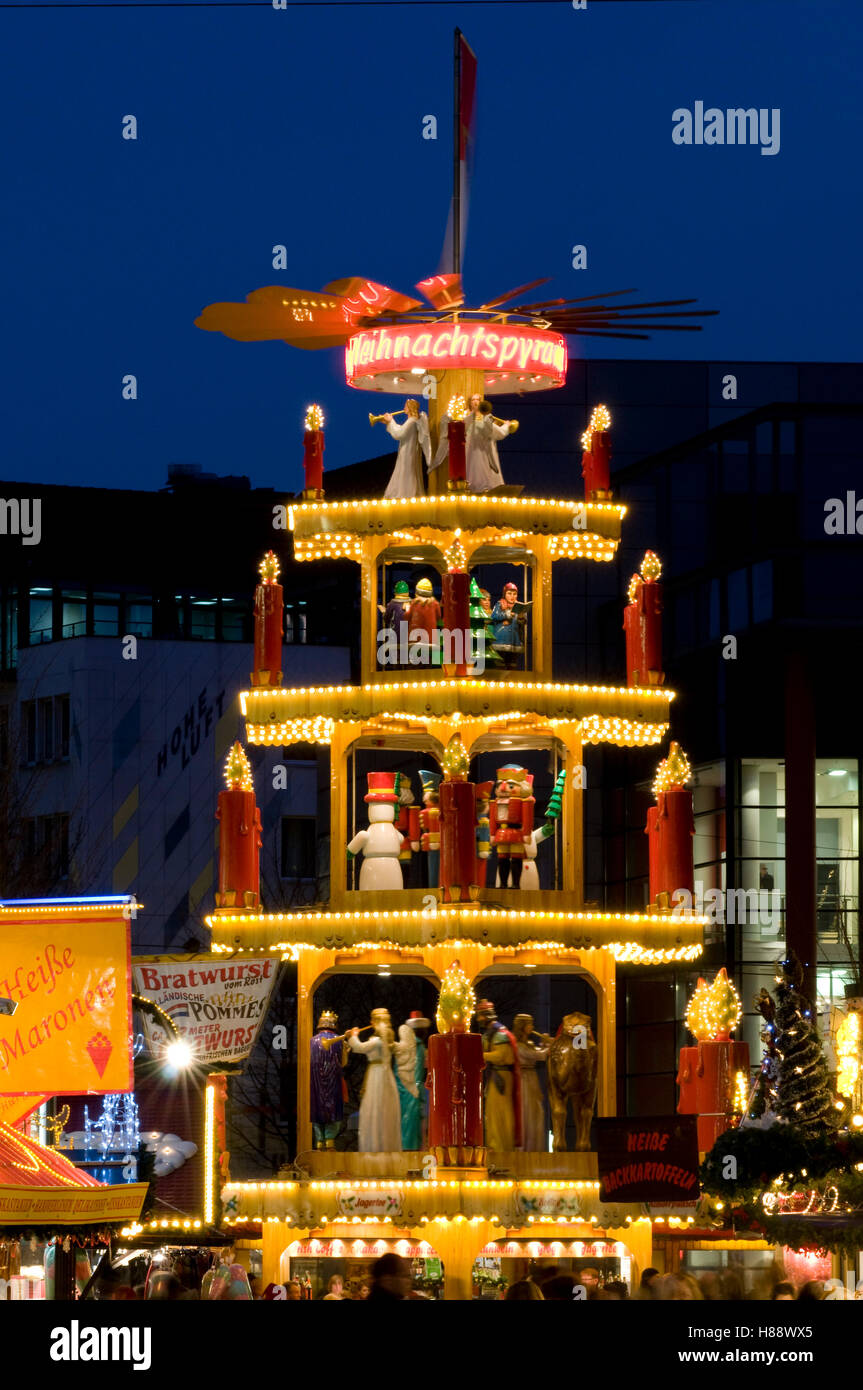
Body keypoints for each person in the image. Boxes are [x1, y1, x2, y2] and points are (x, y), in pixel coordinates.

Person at [348, 1008, 402, 1151]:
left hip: (376, 1077)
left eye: (373, 1020)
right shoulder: (386, 1042)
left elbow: (358, 1047)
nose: (370, 1023)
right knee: (380, 1110)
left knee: (376, 1109)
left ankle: (375, 1147)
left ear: (377, 1022)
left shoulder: (377, 1042)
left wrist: (353, 1035)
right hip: (384, 1075)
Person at [476, 998, 522, 1150]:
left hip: (500, 1077)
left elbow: (500, 1056)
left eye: (481, 1015)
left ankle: (501, 1148)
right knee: (493, 1114)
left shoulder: (499, 1033)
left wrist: (479, 1055)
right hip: (495, 1076)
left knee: (499, 1114)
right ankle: (496, 1146)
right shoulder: (491, 1033)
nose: (479, 1019)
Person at [310, 1008, 348, 1149]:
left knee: (317, 1110)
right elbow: (343, 1062)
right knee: (333, 1111)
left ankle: (319, 1141)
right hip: (333, 1082)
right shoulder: (339, 1041)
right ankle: (330, 1141)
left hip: (315, 1083)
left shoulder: (311, 1042)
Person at [512, 1013, 550, 1152]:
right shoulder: (517, 1045)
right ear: (523, 1026)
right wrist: (549, 1047)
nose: (532, 1027)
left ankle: (534, 1148)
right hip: (523, 1080)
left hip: (531, 1079)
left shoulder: (528, 1043)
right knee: (527, 1112)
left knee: (535, 1112)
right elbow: (536, 1055)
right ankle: (525, 1149)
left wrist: (545, 1043)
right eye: (530, 1024)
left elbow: (537, 1051)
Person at [393, 1011, 430, 1150]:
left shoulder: (415, 1046)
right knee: (411, 1120)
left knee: (412, 1120)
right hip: (411, 1090)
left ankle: (412, 1147)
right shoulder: (415, 1046)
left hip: (409, 1089)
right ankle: (410, 1148)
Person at [465, 396, 517, 492]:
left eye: (478, 400)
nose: (476, 402)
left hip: (474, 453)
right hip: (483, 453)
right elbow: (500, 433)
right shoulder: (483, 420)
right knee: (487, 477)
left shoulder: (468, 419)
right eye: (473, 400)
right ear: (470, 404)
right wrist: (507, 425)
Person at [383, 399, 431, 499]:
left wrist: (391, 421)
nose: (404, 408)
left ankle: (406, 494)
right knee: (404, 471)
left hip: (408, 453)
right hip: (407, 451)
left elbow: (399, 433)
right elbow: (402, 430)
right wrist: (389, 424)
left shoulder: (412, 421)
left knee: (406, 472)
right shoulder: (411, 421)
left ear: (410, 408)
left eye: (406, 406)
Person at [407, 577, 441, 665]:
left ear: (417, 592)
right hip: (430, 640)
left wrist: (407, 608)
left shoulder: (414, 603)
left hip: (414, 640)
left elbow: (406, 617)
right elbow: (438, 617)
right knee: (428, 662)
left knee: (414, 663)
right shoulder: (435, 604)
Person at [490, 582, 524, 665]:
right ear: (504, 594)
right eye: (509, 594)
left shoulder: (519, 606)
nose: (512, 596)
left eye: (514, 594)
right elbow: (494, 616)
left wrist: (521, 618)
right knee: (499, 664)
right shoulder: (500, 604)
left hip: (514, 640)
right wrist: (507, 614)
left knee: (512, 664)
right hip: (501, 639)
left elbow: (522, 623)